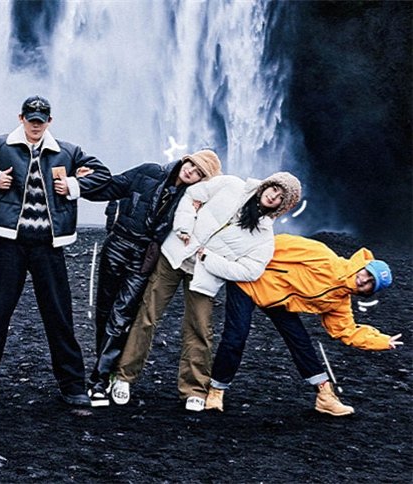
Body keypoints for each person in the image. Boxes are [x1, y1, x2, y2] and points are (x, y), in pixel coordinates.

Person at [0, 95, 112, 407]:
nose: (35, 125)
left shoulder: (67, 151)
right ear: (20, 118)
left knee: (59, 315)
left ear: (49, 121)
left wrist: (74, 186)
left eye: (41, 120)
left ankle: (72, 385)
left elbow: (102, 174)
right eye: (30, 119)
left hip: (49, 244)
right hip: (9, 242)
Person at [109, 171, 302, 411]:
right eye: (274, 188)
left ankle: (194, 390)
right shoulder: (230, 184)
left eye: (281, 197)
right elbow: (192, 195)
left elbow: (252, 271)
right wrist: (183, 226)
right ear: (267, 184)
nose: (274, 196)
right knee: (147, 315)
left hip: (205, 275)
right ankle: (124, 377)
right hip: (174, 255)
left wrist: (209, 260)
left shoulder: (264, 236)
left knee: (199, 327)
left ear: (283, 206)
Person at [80, 150, 222, 407]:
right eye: (192, 165)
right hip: (117, 245)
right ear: (186, 160)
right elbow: (113, 187)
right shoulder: (148, 171)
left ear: (202, 180)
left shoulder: (192, 199)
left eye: (199, 173)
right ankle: (107, 371)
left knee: (121, 315)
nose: (191, 171)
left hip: (145, 255)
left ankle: (99, 381)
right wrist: (79, 184)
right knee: (104, 312)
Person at [205, 234, 403, 416]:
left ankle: (325, 397)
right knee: (236, 337)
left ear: (370, 292)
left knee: (301, 342)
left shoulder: (339, 302)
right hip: (248, 282)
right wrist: (238, 254)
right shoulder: (323, 257)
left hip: (276, 300)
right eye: (367, 273)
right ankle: (216, 390)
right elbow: (277, 243)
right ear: (362, 265)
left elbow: (345, 330)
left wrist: (381, 341)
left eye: (370, 283)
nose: (363, 280)